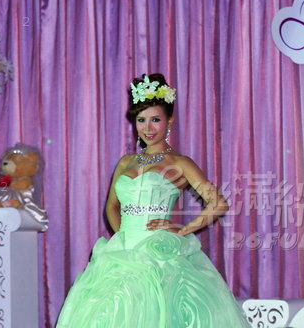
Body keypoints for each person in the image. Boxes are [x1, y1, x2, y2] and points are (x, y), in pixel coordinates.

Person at [56, 73, 249, 327]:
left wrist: (183, 230)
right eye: (141, 120)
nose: (148, 128)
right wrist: (122, 238)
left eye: (155, 120)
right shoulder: (126, 162)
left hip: (159, 255)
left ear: (169, 121)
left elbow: (219, 203)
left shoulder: (179, 162)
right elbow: (112, 206)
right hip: (121, 253)